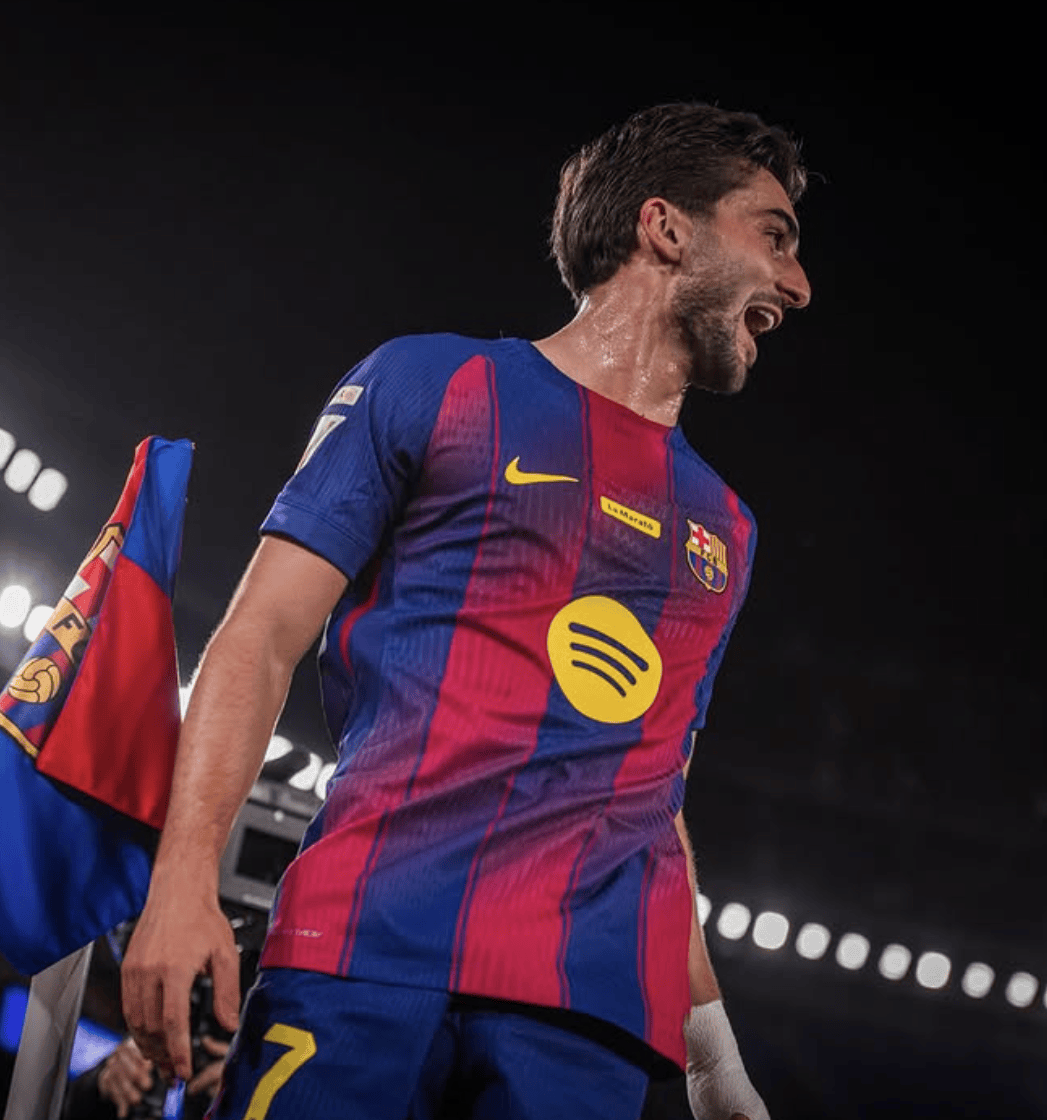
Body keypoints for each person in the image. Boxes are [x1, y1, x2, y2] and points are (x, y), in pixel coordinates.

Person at [120, 101, 812, 1120]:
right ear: (666, 227)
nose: (797, 285)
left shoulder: (726, 527)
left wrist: (714, 1061)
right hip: (360, 956)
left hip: (583, 1017)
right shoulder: (432, 383)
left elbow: (654, 797)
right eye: (774, 236)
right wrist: (182, 880)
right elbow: (260, 638)